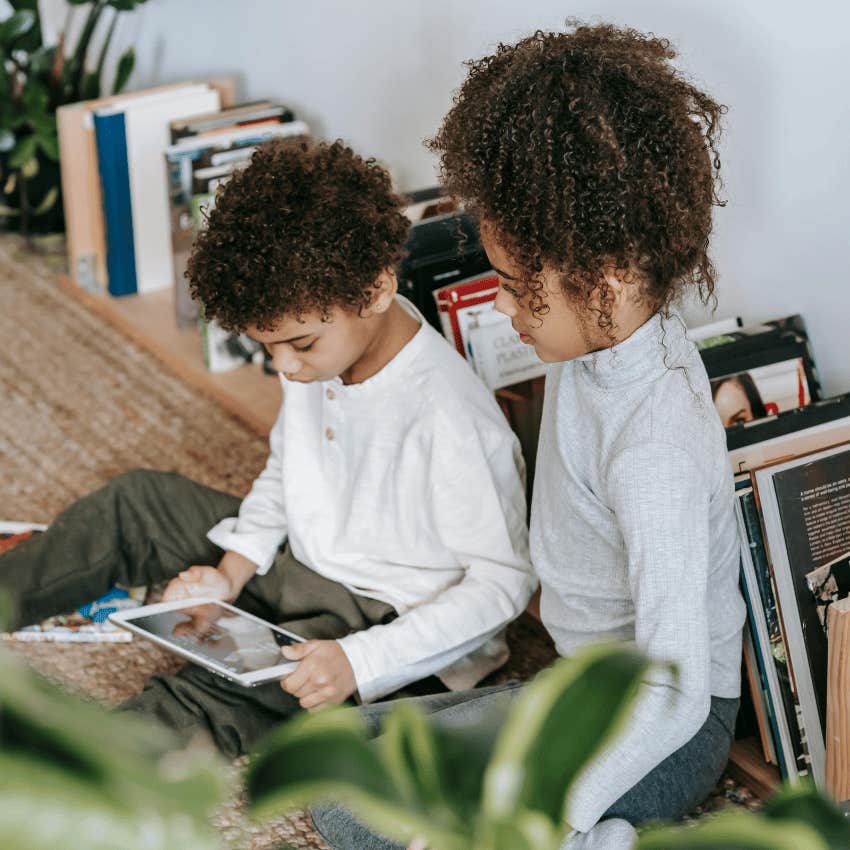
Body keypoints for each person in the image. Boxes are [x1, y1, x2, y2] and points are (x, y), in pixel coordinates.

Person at [311, 21, 746, 849]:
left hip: (666, 731)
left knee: (350, 815)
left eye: (514, 287)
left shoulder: (655, 449)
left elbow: (677, 694)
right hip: (581, 688)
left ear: (606, 284)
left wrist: (552, 810)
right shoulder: (608, 341)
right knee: (340, 753)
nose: (503, 308)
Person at [0, 139, 535, 757]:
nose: (285, 367)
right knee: (137, 501)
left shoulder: (452, 420)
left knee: (225, 692)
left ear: (377, 288)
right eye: (268, 348)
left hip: (381, 620)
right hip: (294, 564)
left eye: (300, 345)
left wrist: (357, 662)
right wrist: (230, 570)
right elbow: (289, 470)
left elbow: (502, 585)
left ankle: (66, 776)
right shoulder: (322, 356)